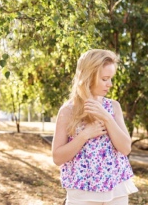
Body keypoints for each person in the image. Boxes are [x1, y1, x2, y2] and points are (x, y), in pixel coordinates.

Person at [52, 49, 138, 205]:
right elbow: (57, 157)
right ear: (89, 76)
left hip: (116, 189)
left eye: (111, 78)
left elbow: (125, 148)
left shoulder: (114, 107)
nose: (110, 84)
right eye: (105, 79)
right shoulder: (67, 111)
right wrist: (85, 135)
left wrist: (106, 117)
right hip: (82, 192)